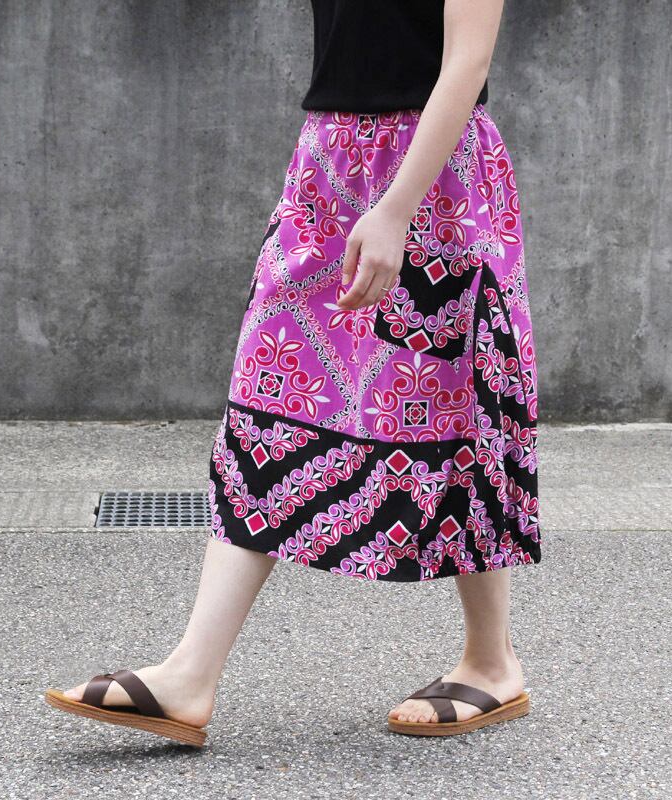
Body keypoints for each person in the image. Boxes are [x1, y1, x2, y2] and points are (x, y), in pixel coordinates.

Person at [45, 0, 542, 746]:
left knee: (457, 410)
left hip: (435, 180)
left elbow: (467, 61)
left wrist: (396, 211)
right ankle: (191, 674)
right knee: (267, 400)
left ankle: (491, 660)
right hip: (328, 164)